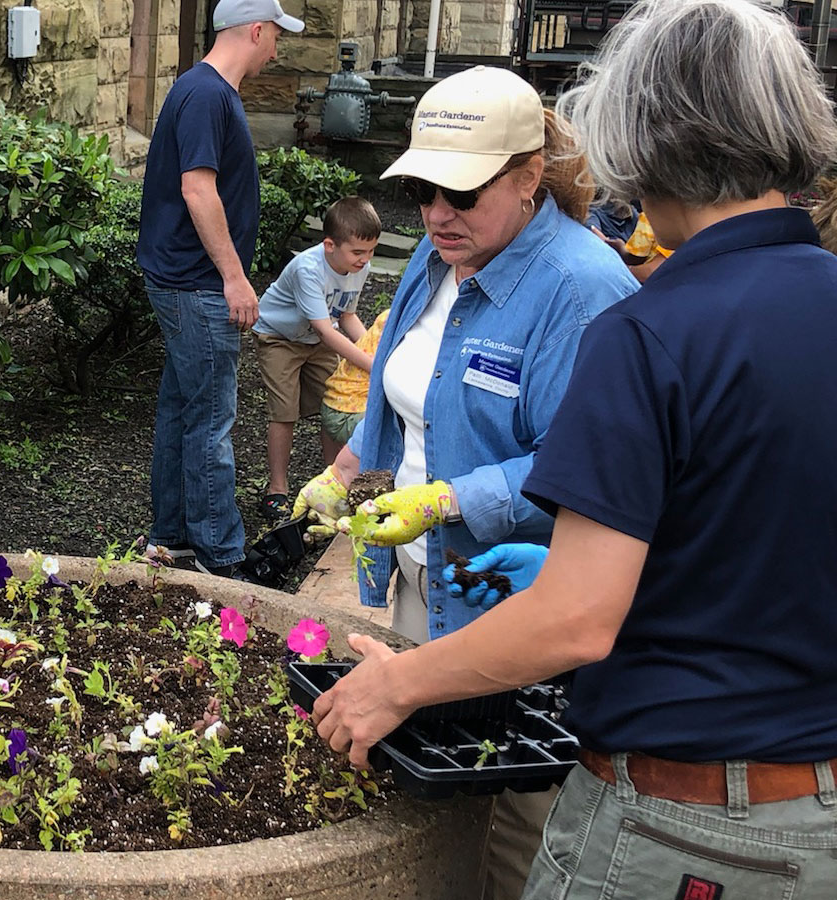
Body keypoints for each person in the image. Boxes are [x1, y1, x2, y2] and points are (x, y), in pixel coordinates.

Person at [310, 2, 837, 897]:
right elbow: (757, 523)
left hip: (679, 826)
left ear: (643, 136)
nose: (436, 212)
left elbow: (577, 620)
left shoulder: (646, 327)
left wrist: (397, 686)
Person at [292, 64, 638, 899]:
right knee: (436, 783)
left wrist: (449, 500)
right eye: (422, 191)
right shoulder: (441, 258)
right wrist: (347, 473)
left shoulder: (582, 292)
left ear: (527, 178)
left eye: (462, 192)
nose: (438, 214)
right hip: (426, 578)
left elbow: (592, 468)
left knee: (512, 814)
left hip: (516, 599)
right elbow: (397, 389)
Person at [137, 0, 304, 577]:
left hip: (183, 281)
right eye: (276, 36)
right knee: (210, 420)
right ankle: (221, 556)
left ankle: (172, 538)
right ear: (255, 30)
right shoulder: (208, 94)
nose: (277, 49)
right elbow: (198, 190)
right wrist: (235, 277)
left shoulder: (199, 88)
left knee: (182, 411)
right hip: (199, 285)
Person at [253, 196, 380, 521]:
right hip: (280, 338)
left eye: (371, 252)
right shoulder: (308, 269)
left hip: (318, 337)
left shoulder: (358, 266)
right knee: (284, 411)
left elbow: (347, 315)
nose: (366, 260)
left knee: (336, 399)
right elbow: (326, 331)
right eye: (358, 252)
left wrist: (372, 351)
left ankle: (334, 481)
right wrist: (375, 367)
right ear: (329, 245)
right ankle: (277, 490)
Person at [318, 308, 390, 470]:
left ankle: (333, 472)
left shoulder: (388, 317)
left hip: (331, 404)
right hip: (352, 413)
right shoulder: (407, 329)